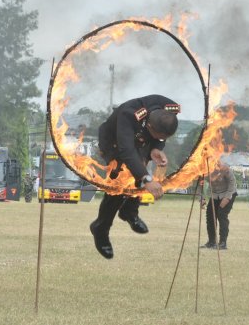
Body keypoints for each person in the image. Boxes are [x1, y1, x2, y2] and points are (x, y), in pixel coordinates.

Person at [89, 94, 179, 259]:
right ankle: (100, 228)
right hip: (114, 141)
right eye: (159, 136)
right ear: (149, 125)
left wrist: (156, 148)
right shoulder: (129, 114)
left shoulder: (168, 108)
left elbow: (159, 136)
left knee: (139, 170)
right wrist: (147, 179)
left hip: (140, 140)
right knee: (121, 180)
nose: (162, 140)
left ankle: (129, 211)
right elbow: (127, 150)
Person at [201, 161, 237, 250]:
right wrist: (201, 198)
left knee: (222, 215)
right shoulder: (203, 170)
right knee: (210, 216)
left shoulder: (224, 168)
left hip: (228, 193)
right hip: (214, 194)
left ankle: (222, 243)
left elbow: (232, 182)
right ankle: (211, 242)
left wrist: (227, 198)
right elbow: (199, 184)